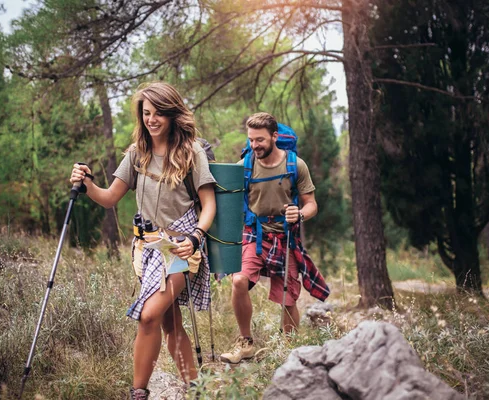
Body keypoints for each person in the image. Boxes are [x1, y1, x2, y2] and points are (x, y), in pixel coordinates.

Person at [69, 82, 216, 400]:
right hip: (146, 251)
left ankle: (138, 393)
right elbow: (109, 198)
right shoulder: (137, 153)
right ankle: (195, 389)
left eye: (159, 113)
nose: (152, 119)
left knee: (150, 314)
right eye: (147, 113)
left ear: (173, 115)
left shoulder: (192, 152)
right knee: (169, 323)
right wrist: (86, 183)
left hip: (179, 247)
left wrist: (195, 237)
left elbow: (209, 205)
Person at [219, 112, 330, 364]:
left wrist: (299, 214)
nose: (254, 145)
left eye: (260, 140)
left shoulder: (295, 165)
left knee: (288, 297)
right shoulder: (245, 165)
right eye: (251, 140)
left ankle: (288, 350)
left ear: (274, 137)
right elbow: (222, 194)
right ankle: (245, 342)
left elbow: (312, 204)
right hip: (254, 234)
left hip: (285, 237)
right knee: (238, 281)